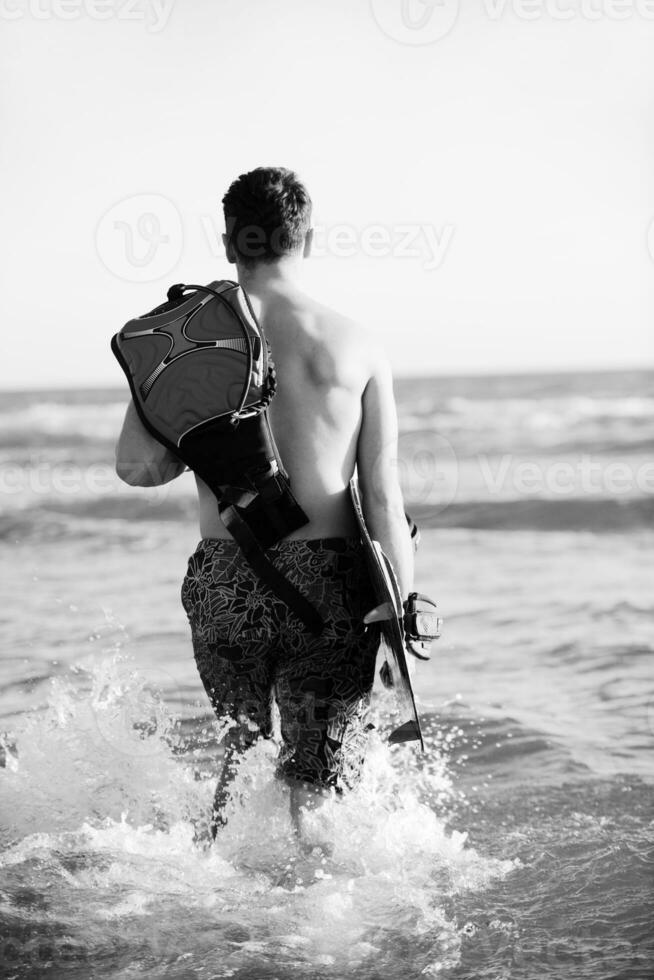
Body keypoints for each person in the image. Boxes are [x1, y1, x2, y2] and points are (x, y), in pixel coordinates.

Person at [115, 166, 414, 845]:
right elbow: (383, 495)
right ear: (307, 239)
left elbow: (138, 466)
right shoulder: (358, 344)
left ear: (229, 244)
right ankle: (314, 918)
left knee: (240, 750)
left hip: (225, 579)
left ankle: (209, 886)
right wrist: (403, 599)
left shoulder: (186, 339)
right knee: (317, 779)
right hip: (332, 587)